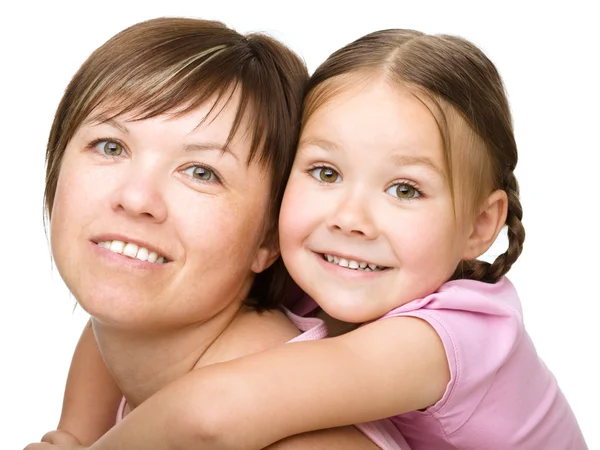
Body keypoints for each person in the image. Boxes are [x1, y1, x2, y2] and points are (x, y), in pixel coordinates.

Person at [32, 28, 587, 450]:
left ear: (479, 226)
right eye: (325, 174)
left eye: (405, 188)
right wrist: (72, 432)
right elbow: (112, 324)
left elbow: (212, 413)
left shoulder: (448, 337)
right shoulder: (321, 285)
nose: (350, 219)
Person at [24, 17, 402, 450]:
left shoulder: (298, 436)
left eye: (201, 172)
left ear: (269, 239)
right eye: (111, 146)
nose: (135, 197)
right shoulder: (117, 341)